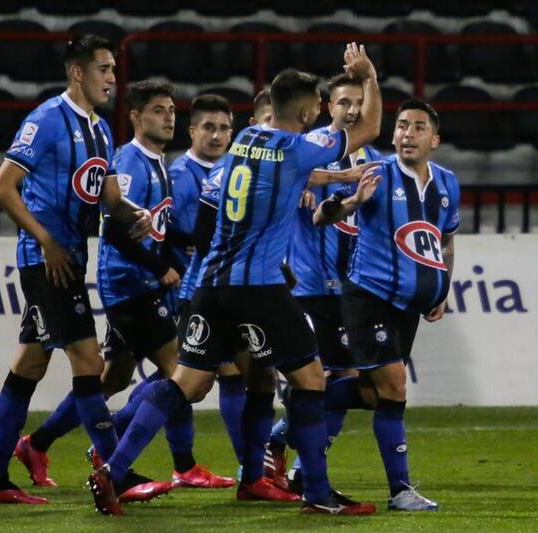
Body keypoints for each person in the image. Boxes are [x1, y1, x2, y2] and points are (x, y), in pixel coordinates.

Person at [87, 42, 383, 517]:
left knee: (183, 382)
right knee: (311, 381)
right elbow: (368, 127)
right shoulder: (297, 146)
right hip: (259, 287)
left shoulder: (245, 140)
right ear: (308, 110)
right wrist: (368, 77)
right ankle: (318, 493)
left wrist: (326, 181)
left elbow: (281, 178)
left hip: (209, 283)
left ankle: (113, 470)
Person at [18, 82, 233, 498]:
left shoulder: (156, 162)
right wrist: (163, 265)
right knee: (181, 374)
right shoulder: (130, 162)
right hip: (131, 286)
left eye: (171, 109)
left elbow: (155, 225)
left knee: (112, 377)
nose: (168, 117)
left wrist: (189, 241)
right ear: (136, 116)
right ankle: (175, 465)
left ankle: (37, 443)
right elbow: (115, 230)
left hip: (139, 283)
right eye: (158, 110)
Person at [0, 34, 151, 507]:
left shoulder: (100, 128)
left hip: (68, 259)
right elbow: (1, 187)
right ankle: (118, 473)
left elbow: (110, 196)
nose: (113, 78)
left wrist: (138, 215)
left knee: (30, 362)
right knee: (91, 363)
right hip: (47, 263)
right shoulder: (48, 120)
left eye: (114, 69)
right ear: (78, 72)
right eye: (104, 69)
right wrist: (46, 240)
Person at [314, 98, 460, 511]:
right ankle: (400, 491)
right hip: (369, 295)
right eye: (400, 126)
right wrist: (352, 203)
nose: (406, 134)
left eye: (417, 127)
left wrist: (442, 287)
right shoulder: (375, 172)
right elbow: (324, 215)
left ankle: (307, 402)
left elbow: (444, 240)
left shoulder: (447, 183)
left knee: (375, 394)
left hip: (408, 305)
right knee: (394, 387)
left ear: (434, 138)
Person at [264, 72, 383, 489]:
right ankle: (293, 462)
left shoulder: (374, 160)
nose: (351, 110)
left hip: (356, 290)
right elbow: (307, 201)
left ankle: (283, 449)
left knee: (348, 381)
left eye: (357, 102)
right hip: (311, 288)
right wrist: (336, 196)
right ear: (327, 107)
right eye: (342, 102)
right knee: (338, 379)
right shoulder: (310, 152)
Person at [168, 95, 249, 475]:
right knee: (220, 375)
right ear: (192, 131)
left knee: (188, 382)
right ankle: (252, 468)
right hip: (191, 291)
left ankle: (111, 440)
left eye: (223, 129)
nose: (217, 136)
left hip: (225, 290)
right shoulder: (180, 176)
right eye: (209, 128)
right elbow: (167, 234)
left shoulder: (236, 170)